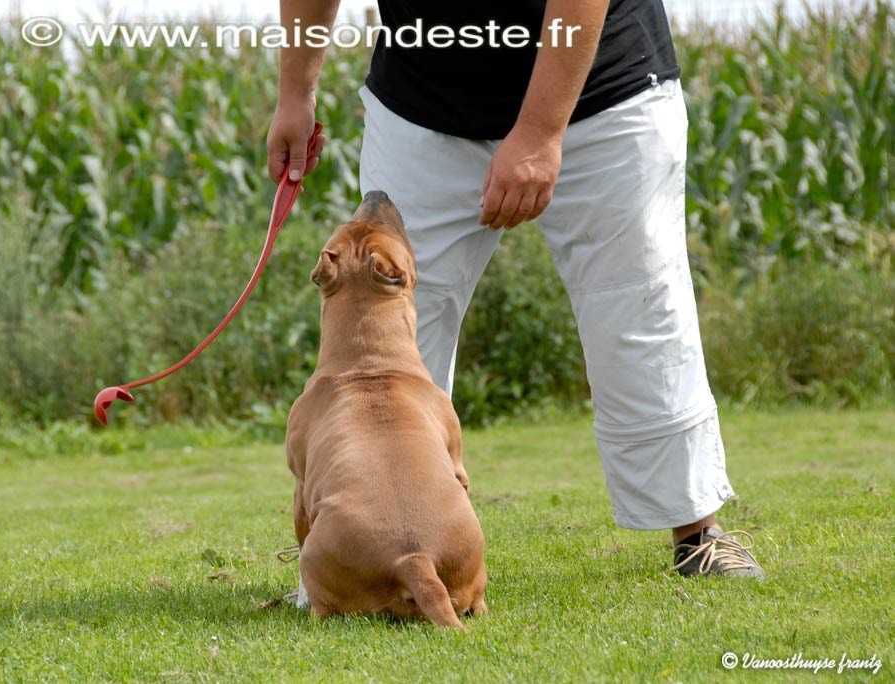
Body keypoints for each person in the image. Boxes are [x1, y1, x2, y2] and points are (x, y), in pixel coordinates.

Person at [267, 0, 765, 577]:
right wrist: (296, 93)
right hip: (423, 100)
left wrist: (537, 132)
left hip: (601, 91)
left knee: (637, 308)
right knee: (382, 339)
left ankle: (698, 534)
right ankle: (355, 555)